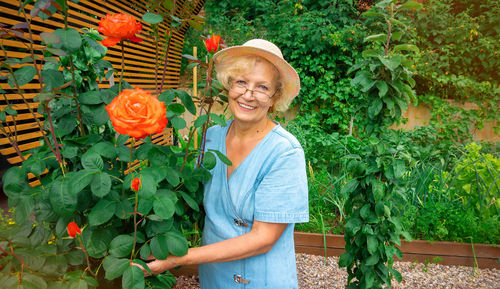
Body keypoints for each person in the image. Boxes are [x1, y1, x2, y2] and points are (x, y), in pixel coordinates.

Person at [143, 39, 309, 288]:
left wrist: (179, 257)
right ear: (229, 85)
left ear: (275, 98)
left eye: (262, 87)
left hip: (261, 279)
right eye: (241, 82)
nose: (248, 95)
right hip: (215, 275)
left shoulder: (284, 152)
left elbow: (264, 238)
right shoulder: (212, 136)